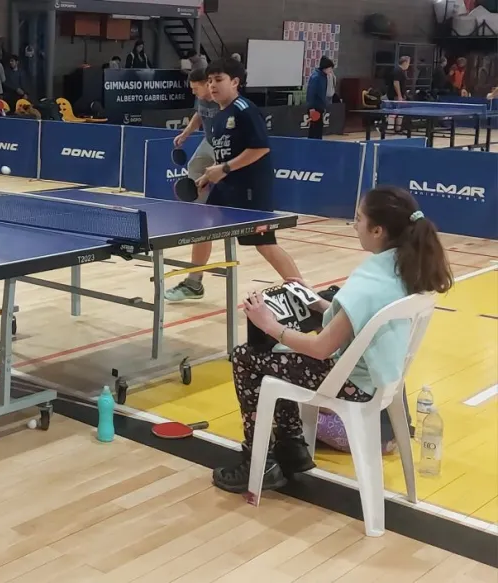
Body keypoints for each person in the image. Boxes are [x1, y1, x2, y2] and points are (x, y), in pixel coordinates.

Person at [212, 186, 453, 493]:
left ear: (377, 230)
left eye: (359, 219)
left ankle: (262, 461)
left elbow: (321, 347)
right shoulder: (403, 269)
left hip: (352, 383)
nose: (354, 225)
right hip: (379, 379)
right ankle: (291, 448)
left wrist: (269, 325)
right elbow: (363, 320)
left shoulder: (369, 282)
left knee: (246, 357)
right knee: (281, 360)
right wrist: (318, 303)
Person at [195, 57, 303, 284]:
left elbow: (260, 148)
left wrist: (225, 168)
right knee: (202, 228)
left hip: (251, 188)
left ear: (235, 82)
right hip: (227, 186)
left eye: (218, 80)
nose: (212, 85)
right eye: (210, 80)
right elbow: (225, 153)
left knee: (264, 244)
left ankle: (302, 291)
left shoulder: (245, 110)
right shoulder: (219, 116)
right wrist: (208, 175)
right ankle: (193, 282)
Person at [164, 67, 221, 302]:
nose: (193, 91)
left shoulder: (224, 103)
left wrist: (219, 167)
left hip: (224, 145)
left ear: (208, 84)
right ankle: (199, 206)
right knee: (195, 167)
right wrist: (186, 133)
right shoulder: (202, 100)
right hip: (208, 141)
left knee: (212, 173)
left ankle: (209, 204)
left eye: (195, 87)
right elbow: (199, 115)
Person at [305, 56, 335, 140]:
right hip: (315, 108)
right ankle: (312, 144)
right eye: (330, 68)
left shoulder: (324, 76)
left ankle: (317, 143)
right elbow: (311, 93)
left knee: (318, 129)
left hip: (320, 107)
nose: (331, 71)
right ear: (325, 68)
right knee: (314, 130)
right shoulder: (316, 77)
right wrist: (311, 108)